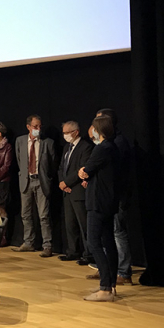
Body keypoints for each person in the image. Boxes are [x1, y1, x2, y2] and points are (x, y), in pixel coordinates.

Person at [79, 115, 120, 301]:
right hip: (108, 200)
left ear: (99, 130)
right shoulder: (113, 147)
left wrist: (85, 173)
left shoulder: (101, 149)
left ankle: (105, 288)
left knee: (94, 242)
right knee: (108, 242)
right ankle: (110, 284)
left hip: (98, 203)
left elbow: (86, 170)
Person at [94, 108, 133, 285]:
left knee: (118, 232)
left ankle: (123, 272)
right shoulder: (108, 143)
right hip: (107, 196)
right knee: (107, 234)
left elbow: (118, 173)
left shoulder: (117, 143)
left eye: (98, 121)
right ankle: (107, 269)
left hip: (117, 196)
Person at [14, 115, 57, 257]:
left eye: (40, 126)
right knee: (25, 214)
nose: (38, 129)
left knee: (43, 215)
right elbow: (20, 160)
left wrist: (46, 178)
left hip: (41, 181)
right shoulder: (20, 141)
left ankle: (47, 245)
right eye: (35, 126)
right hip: (26, 181)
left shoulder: (47, 142)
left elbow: (52, 164)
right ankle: (28, 242)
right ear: (28, 127)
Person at [58, 120, 94, 263]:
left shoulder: (85, 147)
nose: (65, 135)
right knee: (70, 224)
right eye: (64, 133)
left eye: (67, 133)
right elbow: (61, 167)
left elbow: (82, 168)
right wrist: (62, 182)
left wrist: (67, 182)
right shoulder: (67, 147)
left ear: (76, 132)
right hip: (66, 191)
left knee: (83, 224)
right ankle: (73, 251)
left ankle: (88, 254)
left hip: (78, 190)